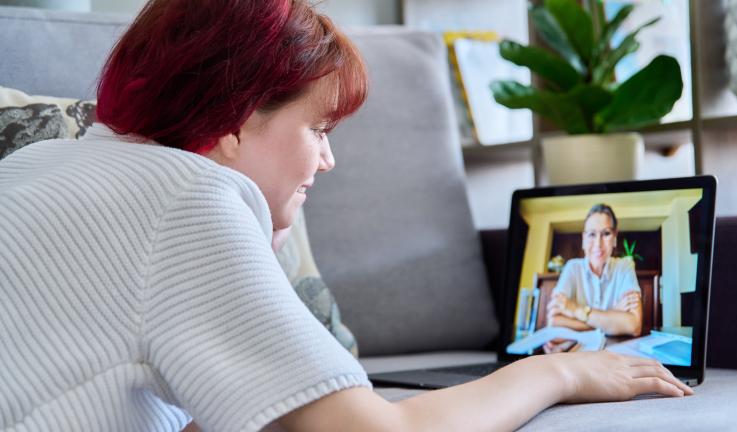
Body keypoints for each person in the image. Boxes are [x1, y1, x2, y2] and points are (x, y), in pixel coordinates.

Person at [0, 1, 692, 431]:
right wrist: (559, 375)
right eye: (320, 130)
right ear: (237, 120)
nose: (326, 162)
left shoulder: (37, 169)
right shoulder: (189, 200)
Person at [545, 204, 643, 353]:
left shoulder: (625, 266)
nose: (598, 244)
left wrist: (575, 310)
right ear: (584, 239)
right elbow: (554, 321)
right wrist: (613, 315)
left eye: (606, 233)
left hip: (614, 356)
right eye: (591, 234)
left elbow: (634, 325)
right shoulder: (572, 268)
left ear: (615, 237)